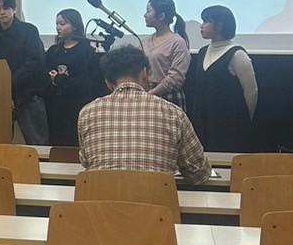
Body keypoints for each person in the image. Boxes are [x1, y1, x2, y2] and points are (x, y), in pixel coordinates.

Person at [78, 43, 210, 185]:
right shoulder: (173, 113)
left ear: (108, 83)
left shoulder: (87, 113)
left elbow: (86, 161)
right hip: (157, 199)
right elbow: (199, 173)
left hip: (100, 198)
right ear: (144, 74)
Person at [187, 4, 258, 151]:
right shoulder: (202, 52)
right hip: (202, 122)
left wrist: (244, 121)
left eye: (206, 22)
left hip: (228, 125)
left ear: (219, 26)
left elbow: (251, 91)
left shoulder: (237, 55)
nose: (201, 26)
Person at [0, 0, 48, 144]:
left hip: (29, 93)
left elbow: (34, 62)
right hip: (3, 96)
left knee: (38, 142)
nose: (2, 12)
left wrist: (10, 85)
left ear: (14, 9)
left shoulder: (29, 30)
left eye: (6, 8)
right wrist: (6, 93)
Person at [44, 8, 104, 146]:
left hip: (78, 104)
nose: (58, 27)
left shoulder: (85, 50)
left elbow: (88, 79)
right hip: (56, 105)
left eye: (63, 24)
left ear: (75, 26)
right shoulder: (54, 50)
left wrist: (61, 80)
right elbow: (45, 74)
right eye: (57, 24)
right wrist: (54, 80)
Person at [143, 0, 190, 104]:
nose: (144, 15)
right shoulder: (145, 41)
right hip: (146, 93)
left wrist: (151, 93)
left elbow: (176, 77)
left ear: (161, 16)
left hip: (168, 96)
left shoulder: (177, 42)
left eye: (148, 11)